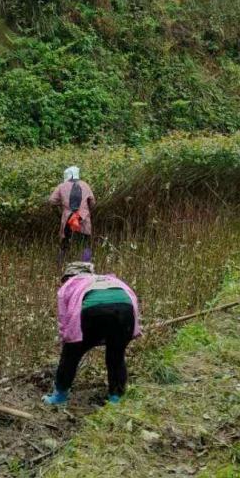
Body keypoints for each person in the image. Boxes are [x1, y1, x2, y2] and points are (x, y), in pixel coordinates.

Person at [44, 262, 140, 407]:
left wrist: (70, 341)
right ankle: (116, 399)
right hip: (125, 311)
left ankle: (59, 397)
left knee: (71, 354)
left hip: (93, 312)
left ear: (70, 276)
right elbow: (132, 298)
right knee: (116, 355)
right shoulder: (110, 279)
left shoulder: (69, 284)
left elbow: (65, 318)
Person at [49, 166, 96, 263]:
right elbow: (92, 202)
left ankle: (60, 264)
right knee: (85, 243)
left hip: (68, 219)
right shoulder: (85, 185)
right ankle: (86, 264)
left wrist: (63, 203)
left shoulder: (62, 186)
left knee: (65, 243)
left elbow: (52, 201)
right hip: (82, 218)